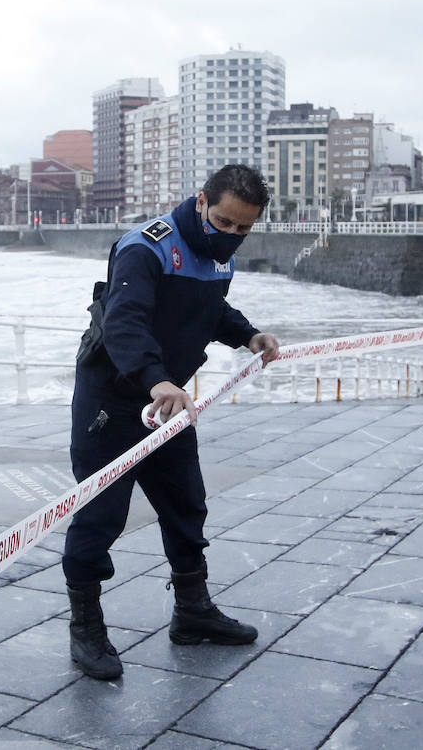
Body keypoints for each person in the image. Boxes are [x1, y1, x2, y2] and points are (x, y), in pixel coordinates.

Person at [62, 164, 280, 680]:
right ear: (201, 202)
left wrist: (250, 336)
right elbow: (125, 320)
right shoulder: (148, 245)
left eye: (243, 229)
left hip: (169, 404)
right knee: (101, 517)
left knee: (187, 504)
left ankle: (192, 612)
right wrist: (154, 378)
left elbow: (211, 308)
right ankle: (85, 628)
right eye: (224, 223)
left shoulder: (217, 256)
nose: (230, 236)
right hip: (113, 400)